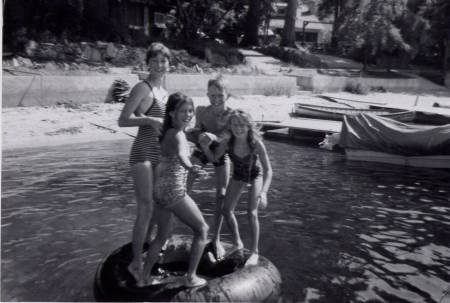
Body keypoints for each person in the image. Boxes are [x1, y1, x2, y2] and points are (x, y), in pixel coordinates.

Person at [141, 92, 209, 287]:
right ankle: (191, 277)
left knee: (162, 236)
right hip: (173, 191)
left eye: (190, 111)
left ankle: (144, 277)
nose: (188, 114)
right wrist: (191, 167)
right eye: (182, 111)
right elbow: (181, 155)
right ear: (171, 113)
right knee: (203, 229)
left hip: (160, 190)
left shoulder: (169, 132)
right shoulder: (177, 135)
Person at [118, 42, 170, 285]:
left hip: (160, 154)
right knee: (145, 209)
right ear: (148, 63)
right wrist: (148, 119)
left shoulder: (165, 93)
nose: (160, 65)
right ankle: (135, 263)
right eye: (155, 61)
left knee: (156, 208)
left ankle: (145, 254)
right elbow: (123, 120)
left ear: (169, 64)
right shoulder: (142, 87)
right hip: (142, 154)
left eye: (164, 61)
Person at [212, 109, 272, 266]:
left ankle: (255, 251)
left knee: (251, 212)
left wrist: (264, 193)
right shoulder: (227, 142)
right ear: (230, 126)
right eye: (234, 124)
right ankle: (238, 242)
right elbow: (214, 157)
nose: (238, 128)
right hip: (238, 176)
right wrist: (205, 145)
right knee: (226, 210)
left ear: (249, 126)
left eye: (242, 125)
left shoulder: (256, 144)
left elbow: (268, 170)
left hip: (255, 175)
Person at [186, 75, 233, 261]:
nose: (215, 99)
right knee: (184, 186)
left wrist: (212, 136)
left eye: (219, 95)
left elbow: (226, 138)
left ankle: (217, 238)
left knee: (221, 194)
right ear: (207, 94)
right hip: (202, 150)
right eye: (212, 95)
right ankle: (196, 228)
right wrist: (194, 134)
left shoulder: (232, 115)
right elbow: (197, 129)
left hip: (222, 153)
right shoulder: (201, 110)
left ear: (227, 95)